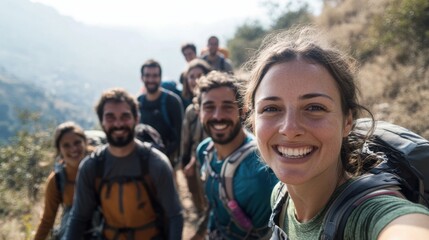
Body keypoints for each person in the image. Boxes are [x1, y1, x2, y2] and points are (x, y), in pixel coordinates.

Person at [242, 26, 429, 239]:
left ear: (347, 121)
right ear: (253, 120)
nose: (290, 129)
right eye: (271, 109)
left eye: (314, 107)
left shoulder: (369, 215)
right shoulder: (281, 196)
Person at [64, 88, 183, 240]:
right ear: (101, 121)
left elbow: (174, 215)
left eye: (125, 116)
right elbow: (79, 218)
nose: (118, 124)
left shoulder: (156, 163)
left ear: (137, 118)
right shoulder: (91, 167)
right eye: (110, 117)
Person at [194, 71, 278, 239]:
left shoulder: (259, 174)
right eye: (209, 107)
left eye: (227, 106)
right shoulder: (205, 151)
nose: (218, 116)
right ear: (199, 111)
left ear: (243, 110)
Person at [34, 121, 91, 240]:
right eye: (66, 145)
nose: (73, 149)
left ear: (85, 143)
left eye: (77, 142)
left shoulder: (101, 169)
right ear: (59, 150)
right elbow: (47, 220)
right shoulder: (57, 180)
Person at [180, 59, 212, 218]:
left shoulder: (216, 107)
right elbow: (186, 140)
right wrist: (185, 162)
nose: (196, 80)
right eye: (191, 76)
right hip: (195, 165)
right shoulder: (190, 111)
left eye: (200, 75)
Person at [138, 59, 184, 167]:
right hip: (142, 160)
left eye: (155, 76)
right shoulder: (138, 102)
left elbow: (180, 134)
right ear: (142, 78)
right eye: (147, 75)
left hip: (168, 161)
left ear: (160, 77)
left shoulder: (172, 101)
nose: (151, 79)